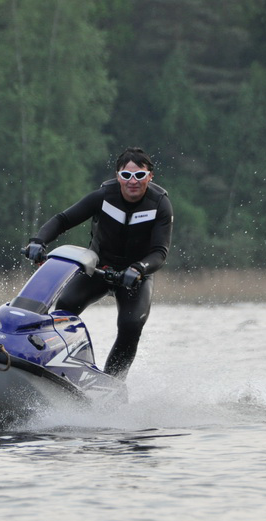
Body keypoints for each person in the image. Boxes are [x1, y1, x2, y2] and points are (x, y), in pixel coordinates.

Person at [23, 147, 173, 380]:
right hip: (99, 269)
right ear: (117, 176)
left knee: (131, 325)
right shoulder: (103, 196)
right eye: (126, 175)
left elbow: (160, 253)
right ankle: (50, 365)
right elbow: (63, 220)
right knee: (64, 308)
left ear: (150, 176)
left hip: (135, 276)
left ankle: (111, 385)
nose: (133, 181)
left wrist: (138, 269)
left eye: (140, 175)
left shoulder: (160, 205)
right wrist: (38, 241)